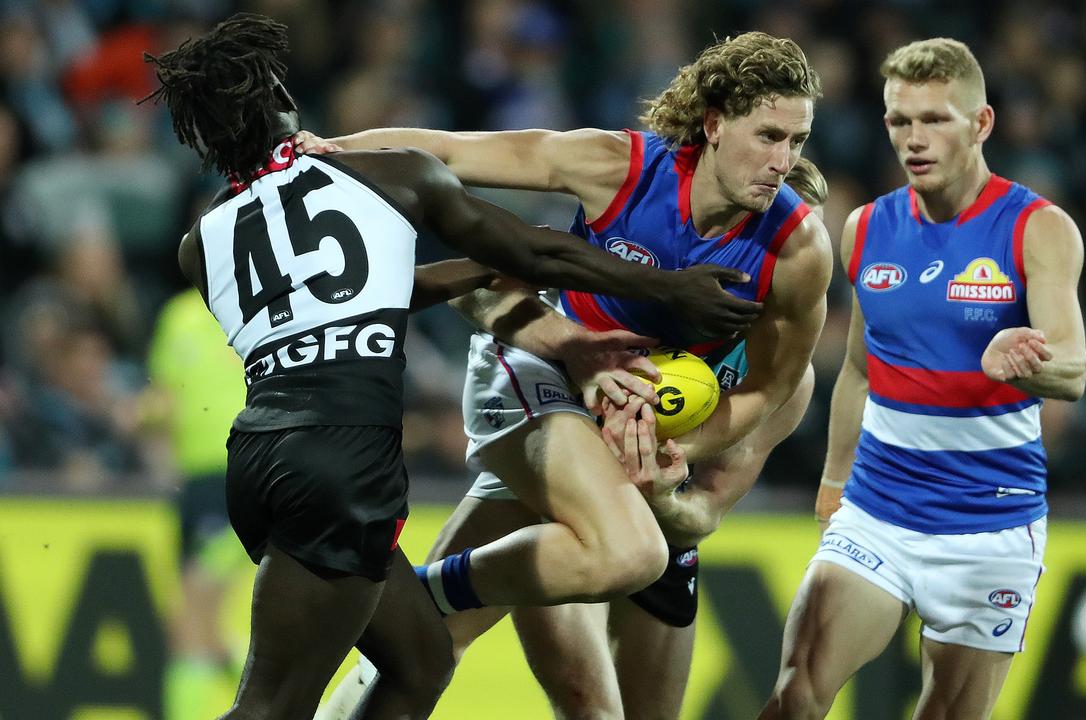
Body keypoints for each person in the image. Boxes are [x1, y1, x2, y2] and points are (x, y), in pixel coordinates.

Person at [143, 14, 761, 720]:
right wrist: (666, 288)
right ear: (278, 100)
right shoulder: (388, 174)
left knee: (421, 660)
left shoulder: (202, 240)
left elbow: (365, 298)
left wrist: (470, 273)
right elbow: (536, 253)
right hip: (345, 454)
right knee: (272, 704)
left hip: (257, 460)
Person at [303, 30, 830, 719]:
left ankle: (409, 606)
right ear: (715, 124)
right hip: (544, 371)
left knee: (462, 656)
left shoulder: (796, 256)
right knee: (617, 561)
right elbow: (455, 151)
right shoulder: (621, 167)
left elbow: (717, 486)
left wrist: (671, 466)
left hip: (632, 485)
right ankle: (420, 595)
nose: (781, 164)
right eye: (769, 137)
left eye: (797, 143)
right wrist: (328, 154)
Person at [759, 38, 1086, 720]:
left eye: (935, 119)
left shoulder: (1037, 228)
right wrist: (834, 481)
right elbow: (857, 367)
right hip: (879, 512)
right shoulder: (866, 227)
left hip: (989, 527)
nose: (914, 139)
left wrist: (1021, 362)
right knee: (795, 695)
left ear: (981, 124)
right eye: (899, 121)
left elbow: (1075, 369)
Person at [144, 287, 247, 720]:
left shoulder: (267, 306)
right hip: (195, 489)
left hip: (243, 474)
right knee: (204, 628)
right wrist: (161, 464)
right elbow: (162, 398)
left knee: (190, 616)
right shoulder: (179, 314)